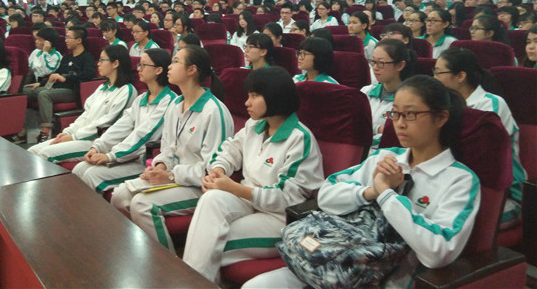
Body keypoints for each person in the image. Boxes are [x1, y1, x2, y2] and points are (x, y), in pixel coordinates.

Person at [245, 75, 480, 289]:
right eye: (395, 114)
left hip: (385, 280)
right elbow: (325, 195)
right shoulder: (385, 158)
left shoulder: (459, 180)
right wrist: (370, 191)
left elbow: (438, 252)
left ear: (441, 118)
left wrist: (387, 194)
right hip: (335, 263)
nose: (399, 123)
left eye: (410, 114)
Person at [183, 67, 324, 283]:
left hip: (278, 218)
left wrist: (235, 188)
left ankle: (190, 282)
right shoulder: (254, 125)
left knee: (207, 243)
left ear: (275, 97)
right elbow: (230, 149)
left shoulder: (299, 139)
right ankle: (192, 282)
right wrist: (219, 169)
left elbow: (289, 198)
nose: (247, 103)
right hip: (247, 200)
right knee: (211, 201)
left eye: (254, 96)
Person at [111, 45, 234, 253]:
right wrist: (159, 166)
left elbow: (211, 171)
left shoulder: (214, 111)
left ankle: (166, 264)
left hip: (199, 187)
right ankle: (139, 251)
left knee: (143, 204)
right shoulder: (176, 104)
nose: (169, 66)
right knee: (120, 195)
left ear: (192, 70)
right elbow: (167, 149)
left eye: (176, 61)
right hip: (173, 177)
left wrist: (170, 175)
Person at [435, 48, 525, 227]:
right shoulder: (445, 104)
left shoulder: (490, 106)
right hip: (458, 186)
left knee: (451, 225)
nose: (434, 78)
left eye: (438, 73)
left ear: (460, 76)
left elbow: (479, 158)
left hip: (500, 193)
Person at [72, 49, 175, 191]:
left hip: (147, 161)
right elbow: (121, 126)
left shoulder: (169, 101)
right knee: (80, 168)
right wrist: (98, 147)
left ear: (158, 70)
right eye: (139, 65)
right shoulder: (141, 99)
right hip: (130, 155)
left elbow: (144, 135)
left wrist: (111, 156)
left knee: (92, 175)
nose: (138, 69)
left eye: (143, 65)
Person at [28, 44, 137, 162]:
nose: (98, 63)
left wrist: (74, 137)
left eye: (102, 60)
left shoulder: (126, 91)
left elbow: (106, 123)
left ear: (115, 63)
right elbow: (86, 115)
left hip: (98, 141)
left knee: (45, 154)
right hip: (82, 136)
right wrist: (68, 132)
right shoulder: (102, 88)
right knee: (32, 151)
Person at [28, 26, 96, 143]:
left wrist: (65, 78)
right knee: (26, 92)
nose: (66, 40)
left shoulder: (87, 57)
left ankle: (45, 132)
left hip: (72, 90)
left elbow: (87, 75)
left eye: (69, 38)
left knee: (44, 94)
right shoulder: (67, 57)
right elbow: (57, 74)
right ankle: (25, 129)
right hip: (57, 88)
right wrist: (40, 83)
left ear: (78, 40)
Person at [361, 39, 416, 147]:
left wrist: (370, 131)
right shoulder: (365, 92)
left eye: (381, 63)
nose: (375, 68)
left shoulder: (410, 100)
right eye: (373, 62)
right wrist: (378, 129)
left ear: (400, 65)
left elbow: (394, 136)